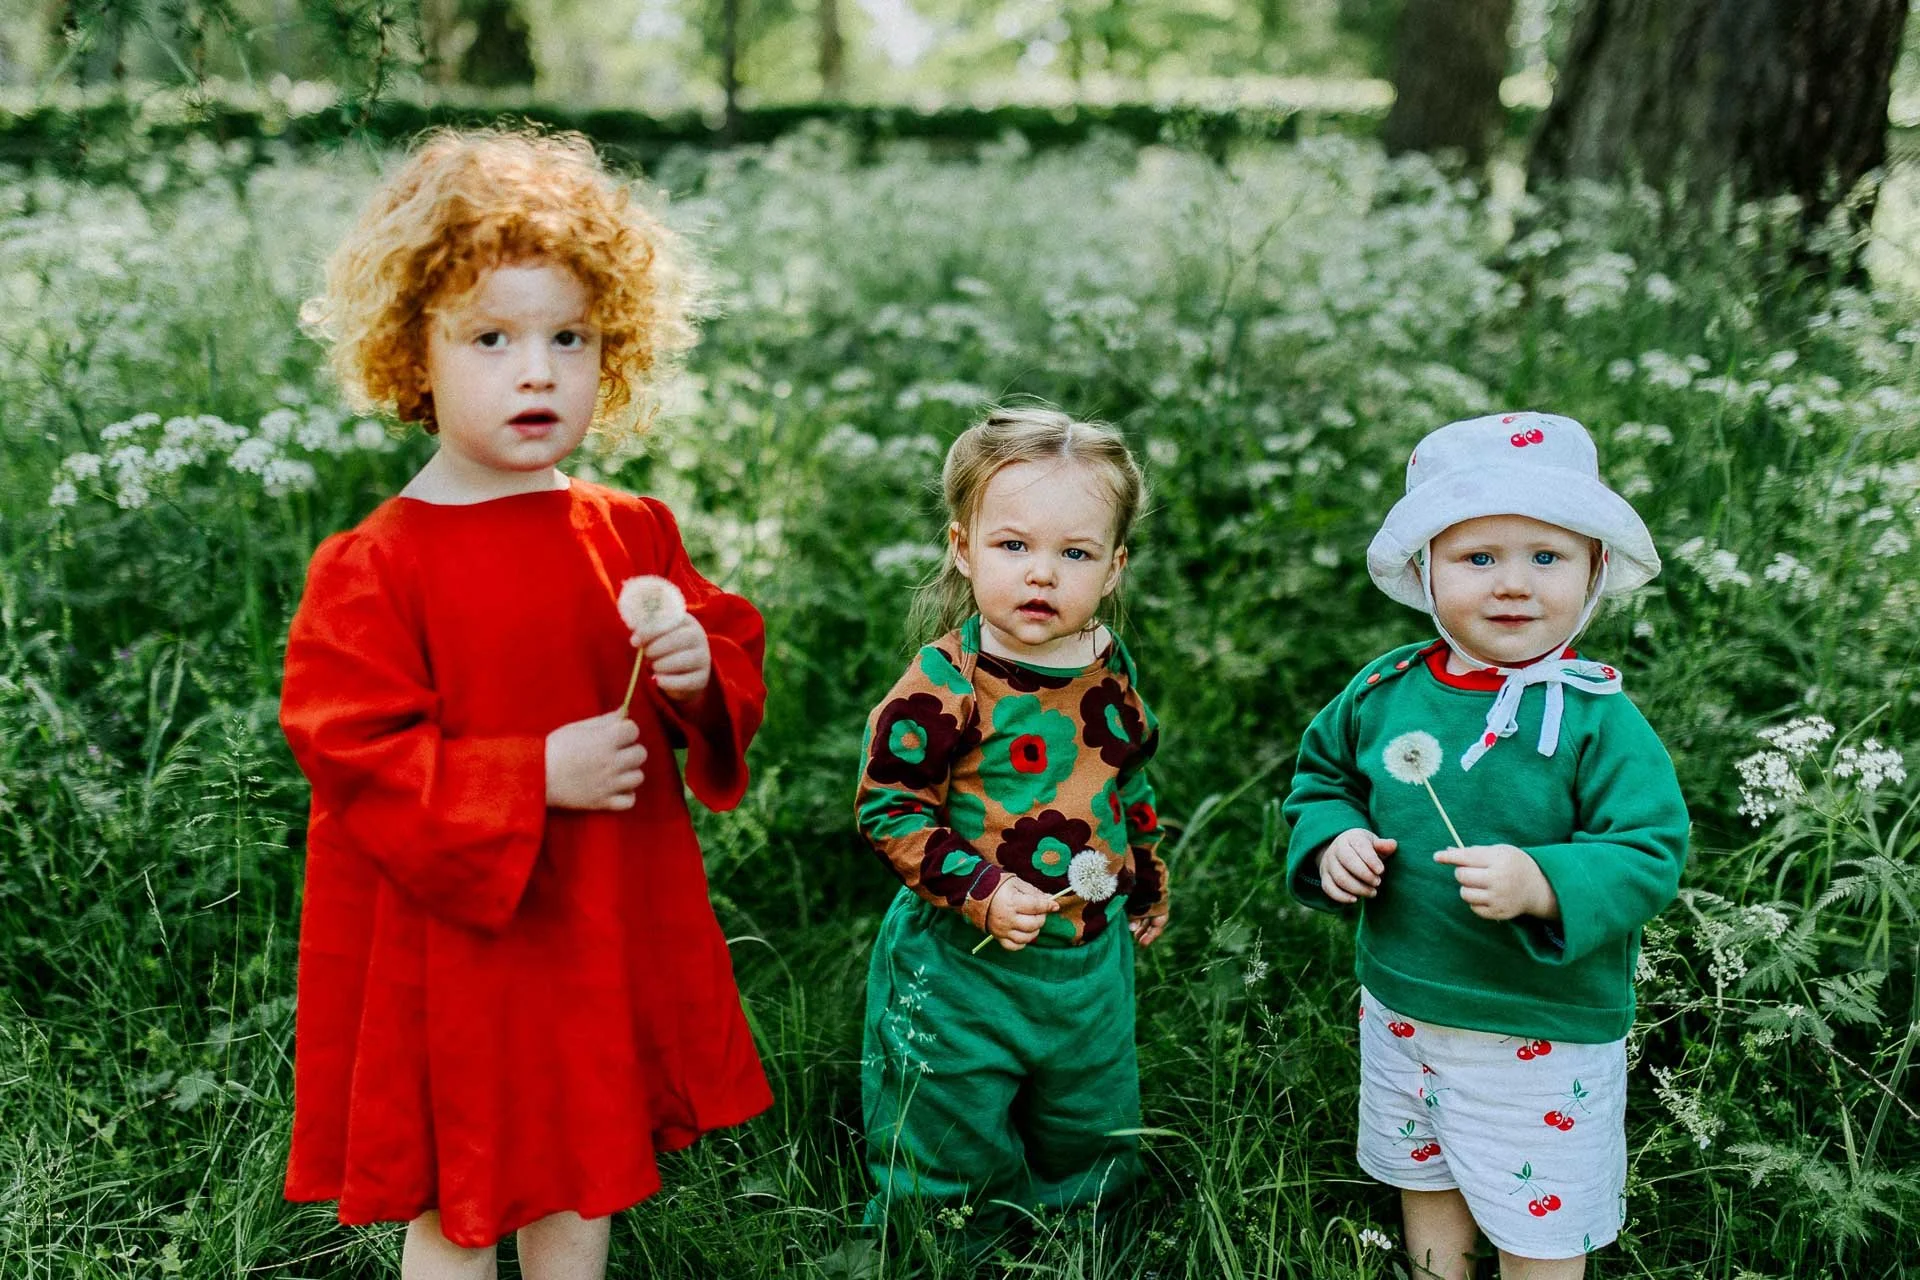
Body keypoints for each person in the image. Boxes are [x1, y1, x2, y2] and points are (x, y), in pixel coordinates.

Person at [280, 129, 770, 1278]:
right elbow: (351, 749)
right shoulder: (378, 562)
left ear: (617, 350)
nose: (537, 369)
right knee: (461, 1198)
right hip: (461, 949)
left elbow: (720, 649)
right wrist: (530, 773)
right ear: (415, 355)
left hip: (594, 921)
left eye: (569, 337)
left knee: (584, 1159)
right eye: (490, 338)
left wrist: (694, 661)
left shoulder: (629, 528)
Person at [1284, 411, 1689, 1280]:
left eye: (1547, 557)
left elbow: (1649, 848)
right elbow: (1322, 779)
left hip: (1538, 1025)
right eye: (1479, 558)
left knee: (1538, 1211)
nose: (1514, 585)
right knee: (1422, 1168)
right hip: (1401, 999)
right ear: (1426, 571)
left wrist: (1544, 880)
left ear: (1594, 572)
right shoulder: (1384, 690)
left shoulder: (1599, 718)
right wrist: (1334, 840)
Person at [853, 405, 1170, 1240]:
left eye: (1074, 553)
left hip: (1086, 958)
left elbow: (1121, 774)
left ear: (1112, 568)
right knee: (946, 1124)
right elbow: (890, 806)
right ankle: (949, 1240)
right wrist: (983, 888)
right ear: (963, 548)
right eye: (1014, 546)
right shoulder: (944, 684)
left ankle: (1084, 1236)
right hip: (964, 964)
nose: (1042, 575)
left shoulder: (1106, 663)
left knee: (1090, 1118)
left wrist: (1145, 880)